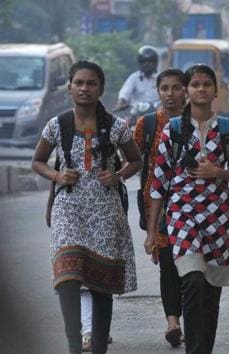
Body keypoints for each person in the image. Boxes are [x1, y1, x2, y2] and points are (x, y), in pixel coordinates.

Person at [31, 60, 141, 354]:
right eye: (78, 83)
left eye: (91, 83)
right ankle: (74, 346)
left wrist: (117, 175)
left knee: (100, 283)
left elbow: (136, 160)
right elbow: (37, 161)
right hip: (68, 209)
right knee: (67, 278)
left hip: (105, 212)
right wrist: (57, 175)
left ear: (101, 89)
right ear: (69, 87)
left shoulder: (117, 127)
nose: (84, 88)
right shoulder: (57, 125)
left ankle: (98, 348)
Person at [147, 64, 229, 354]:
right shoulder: (173, 130)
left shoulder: (228, 129)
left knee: (210, 295)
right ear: (187, 90)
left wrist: (219, 172)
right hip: (181, 217)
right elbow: (158, 183)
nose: (201, 89)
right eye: (195, 84)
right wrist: (151, 229)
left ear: (215, 91)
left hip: (219, 222)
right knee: (192, 282)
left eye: (206, 84)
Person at [134, 68, 187, 347]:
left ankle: (191, 320)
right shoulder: (148, 124)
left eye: (176, 88)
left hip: (194, 205)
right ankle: (172, 322)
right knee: (168, 264)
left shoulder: (198, 122)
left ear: (186, 91)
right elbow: (131, 157)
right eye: (164, 88)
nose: (170, 94)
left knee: (191, 268)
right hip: (159, 205)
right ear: (158, 92)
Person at [113, 45, 161, 113]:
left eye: (150, 62)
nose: (146, 64)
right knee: (124, 123)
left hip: (156, 113)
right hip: (136, 113)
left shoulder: (161, 78)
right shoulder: (134, 78)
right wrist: (120, 103)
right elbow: (125, 93)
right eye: (143, 62)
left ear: (155, 63)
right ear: (139, 63)